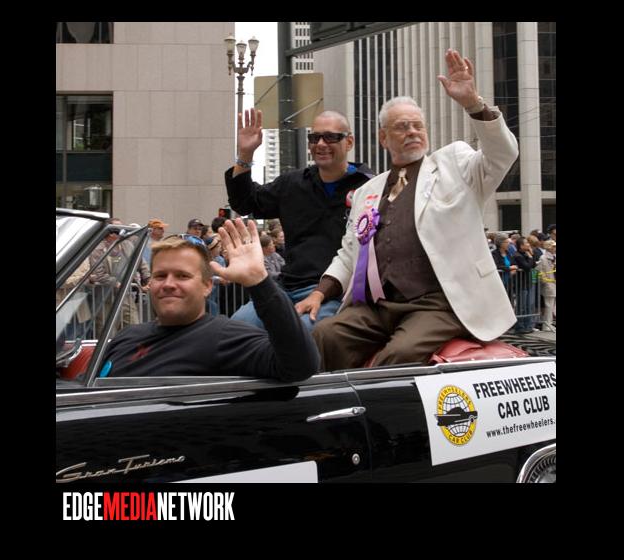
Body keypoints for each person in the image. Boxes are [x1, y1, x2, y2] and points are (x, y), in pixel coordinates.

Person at [308, 48, 519, 369]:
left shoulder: (456, 163)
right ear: (383, 137)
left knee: (398, 356)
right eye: (402, 126)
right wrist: (320, 292)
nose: (412, 132)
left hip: (439, 304)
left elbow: (503, 154)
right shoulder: (367, 191)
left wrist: (473, 104)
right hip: (378, 306)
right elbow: (349, 253)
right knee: (325, 336)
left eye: (418, 125)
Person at [99, 218, 319, 381]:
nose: (168, 284)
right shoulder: (126, 337)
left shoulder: (226, 338)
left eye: (182, 276)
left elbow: (300, 365)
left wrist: (259, 282)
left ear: (207, 286)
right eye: (160, 276)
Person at [224, 108, 374, 332]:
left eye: (330, 137)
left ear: (349, 142)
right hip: (285, 288)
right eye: (314, 137)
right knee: (237, 328)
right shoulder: (292, 183)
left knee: (303, 334)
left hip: (336, 293)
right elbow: (245, 202)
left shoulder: (370, 188)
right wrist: (245, 154)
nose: (321, 144)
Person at [536, 239, 556, 331]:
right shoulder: (543, 258)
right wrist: (545, 282)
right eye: (553, 246)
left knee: (551, 305)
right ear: (549, 247)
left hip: (553, 283)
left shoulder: (554, 257)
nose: (555, 248)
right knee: (549, 305)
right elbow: (539, 271)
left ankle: (549, 323)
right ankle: (547, 324)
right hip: (549, 284)